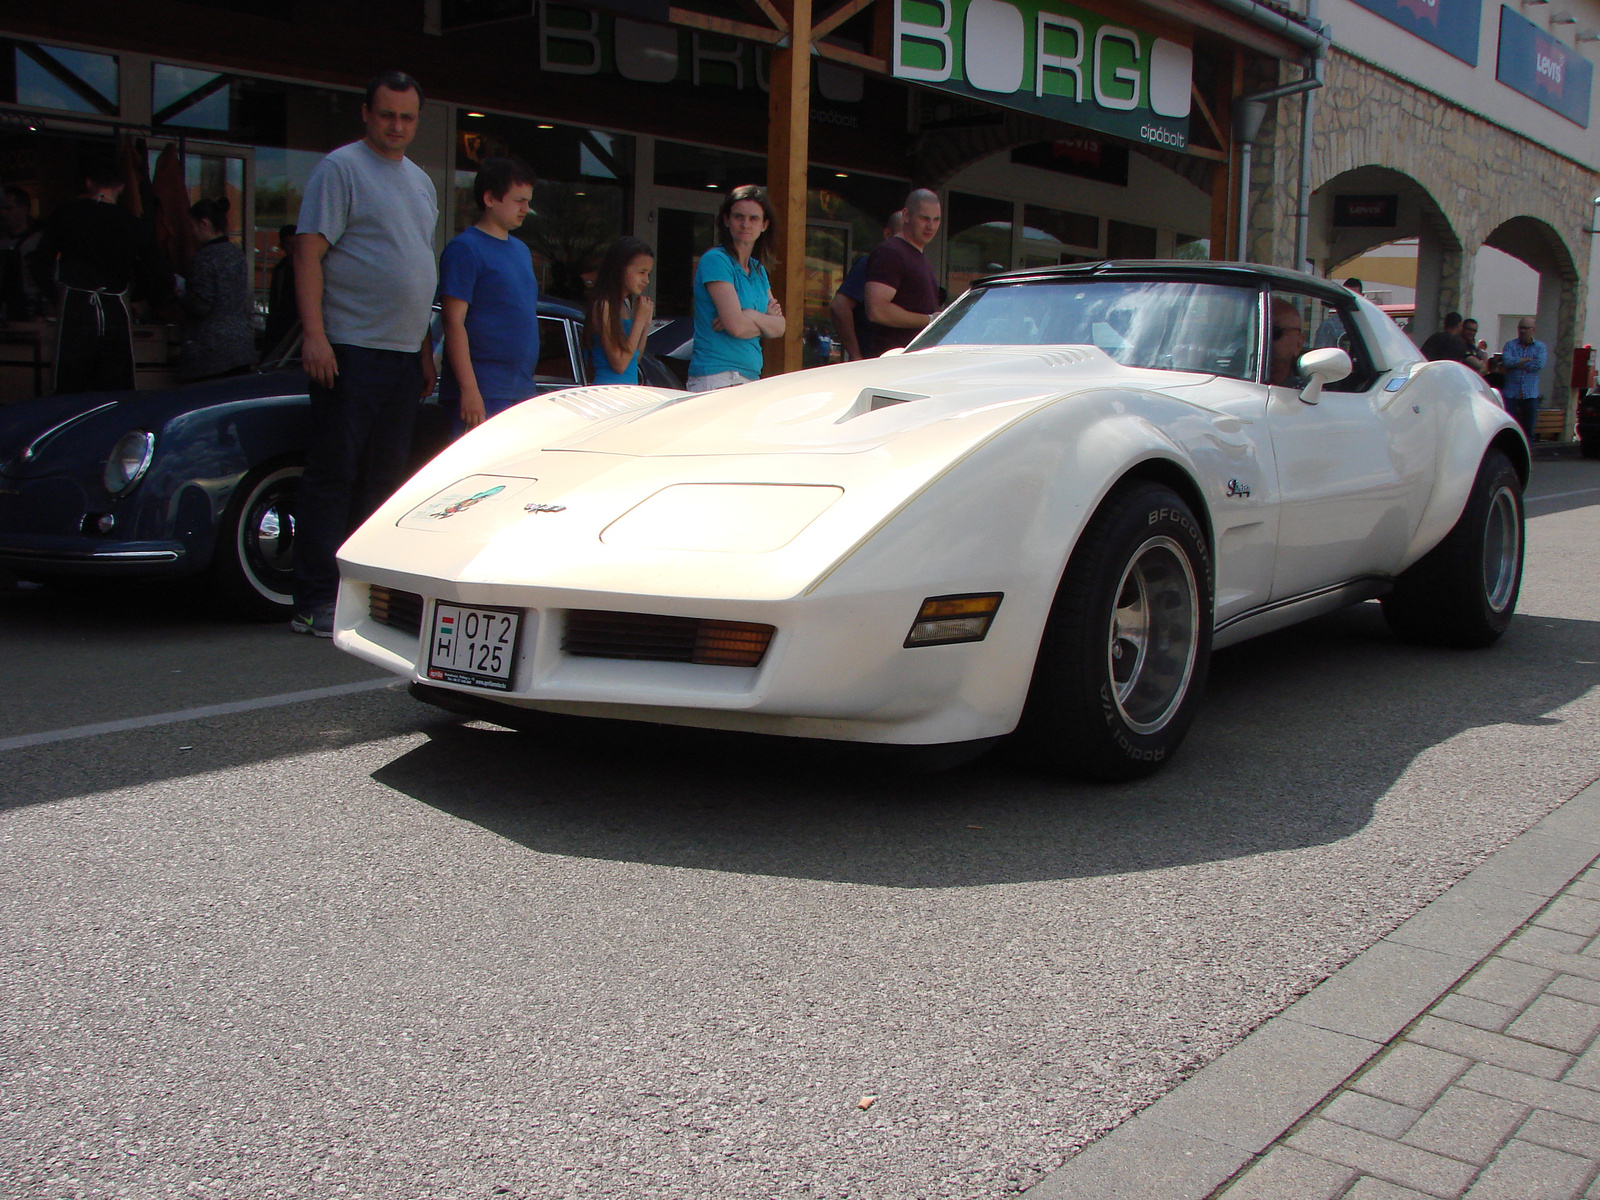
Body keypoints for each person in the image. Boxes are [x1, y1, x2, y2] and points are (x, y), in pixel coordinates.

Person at [290, 70, 438, 638]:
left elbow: (415, 269)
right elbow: (308, 255)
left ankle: (367, 597)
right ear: (366, 114)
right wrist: (315, 334)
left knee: (384, 480)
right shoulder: (340, 169)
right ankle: (313, 600)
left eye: (407, 117)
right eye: (386, 114)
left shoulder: (421, 183)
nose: (396, 126)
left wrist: (424, 350)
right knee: (333, 476)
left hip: (403, 357)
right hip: (348, 349)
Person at [34, 156, 170, 394]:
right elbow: (162, 274)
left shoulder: (65, 214)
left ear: (88, 184)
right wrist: (143, 300)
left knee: (70, 389)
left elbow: (39, 264)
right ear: (121, 186)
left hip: (74, 311)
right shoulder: (131, 223)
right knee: (114, 389)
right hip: (115, 310)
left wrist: (54, 297)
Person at [438, 156, 542, 436]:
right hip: (481, 392)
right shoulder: (465, 249)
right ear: (490, 199)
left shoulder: (520, 250)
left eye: (528, 200)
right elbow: (452, 322)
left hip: (520, 389)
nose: (526, 208)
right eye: (519, 200)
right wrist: (469, 390)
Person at [686, 184, 784, 392]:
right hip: (717, 375)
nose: (745, 224)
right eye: (739, 217)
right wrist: (763, 321)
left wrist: (748, 314)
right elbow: (737, 327)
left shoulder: (758, 270)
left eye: (753, 218)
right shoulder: (716, 260)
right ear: (726, 220)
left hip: (750, 376)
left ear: (764, 224)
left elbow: (780, 327)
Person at [177, 197, 256, 383]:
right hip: (241, 346)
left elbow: (200, 306)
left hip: (210, 352)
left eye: (192, 226)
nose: (191, 233)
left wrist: (178, 293)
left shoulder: (204, 258)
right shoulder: (237, 253)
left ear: (204, 223)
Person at [862, 188, 942, 356]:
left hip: (915, 361)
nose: (931, 226)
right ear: (906, 215)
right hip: (895, 360)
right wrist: (930, 320)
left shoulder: (916, 255)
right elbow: (877, 310)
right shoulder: (891, 252)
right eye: (924, 218)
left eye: (936, 220)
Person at [829, 211, 902, 361]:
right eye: (901, 237)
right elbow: (839, 306)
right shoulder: (872, 264)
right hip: (875, 360)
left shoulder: (916, 266)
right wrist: (856, 355)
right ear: (887, 234)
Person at [586, 236, 654, 385]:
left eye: (648, 274)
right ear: (621, 269)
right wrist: (639, 320)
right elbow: (619, 365)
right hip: (609, 391)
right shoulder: (604, 305)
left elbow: (634, 359)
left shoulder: (625, 304)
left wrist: (645, 325)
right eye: (641, 272)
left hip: (628, 390)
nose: (646, 280)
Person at [0, 185, 44, 320]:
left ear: (24, 208)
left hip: (32, 306)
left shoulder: (38, 241)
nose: (3, 214)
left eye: (8, 208)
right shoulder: (3, 243)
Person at [1500, 317, 1547, 440]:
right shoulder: (1510, 345)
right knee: (1508, 428)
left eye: (1526, 328)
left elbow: (1539, 364)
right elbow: (1507, 362)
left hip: (1530, 395)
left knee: (1528, 430)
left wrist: (1517, 363)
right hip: (1511, 394)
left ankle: (1527, 456)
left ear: (1533, 330)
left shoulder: (1540, 347)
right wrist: (1527, 360)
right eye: (1521, 328)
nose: (1523, 331)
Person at [262, 224, 298, 353]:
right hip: (283, 326)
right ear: (282, 246)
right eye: (289, 244)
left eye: (296, 243)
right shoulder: (281, 270)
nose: (294, 248)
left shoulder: (312, 268)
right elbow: (275, 302)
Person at [1421, 312, 1485, 374]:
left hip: (1430, 374)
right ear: (1459, 325)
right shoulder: (1457, 342)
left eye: (1474, 331)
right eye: (1469, 329)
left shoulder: (1434, 338)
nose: (1471, 333)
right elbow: (1476, 364)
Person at [1312, 277, 1361, 349]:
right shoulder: (1330, 325)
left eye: (1354, 298)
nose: (1350, 303)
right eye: (1347, 298)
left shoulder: (1365, 325)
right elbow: (1320, 353)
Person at [1268, 297, 1306, 386]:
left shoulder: (1310, 395)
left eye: (1274, 332)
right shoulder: (1230, 383)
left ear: (1298, 344)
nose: (1261, 344)